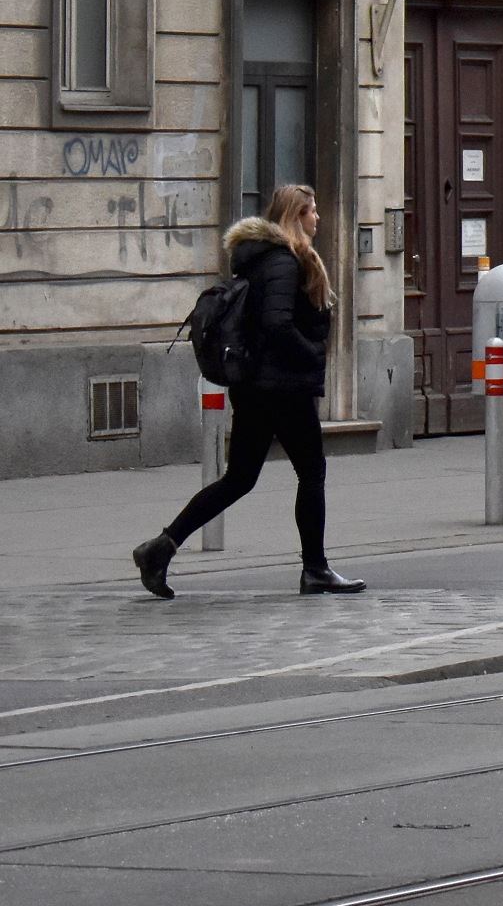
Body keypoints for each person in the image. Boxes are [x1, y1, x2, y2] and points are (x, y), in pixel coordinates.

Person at [132, 184, 364, 598]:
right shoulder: (284, 263)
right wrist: (312, 353)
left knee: (240, 477)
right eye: (311, 212)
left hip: (257, 386)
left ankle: (160, 548)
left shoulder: (261, 260)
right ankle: (316, 568)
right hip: (282, 387)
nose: (317, 219)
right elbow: (276, 324)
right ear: (296, 216)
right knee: (311, 472)